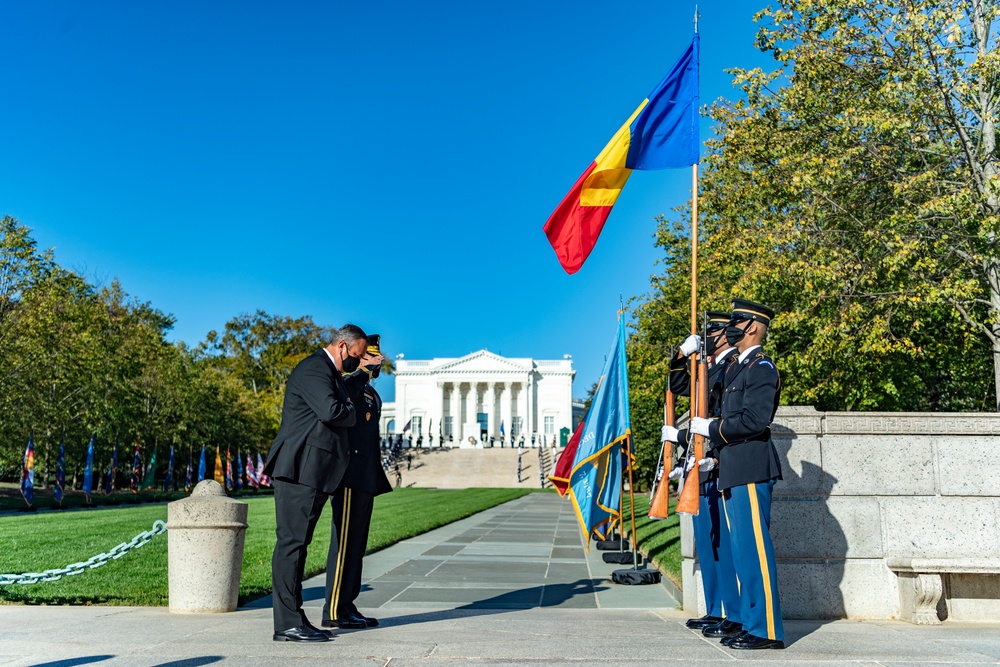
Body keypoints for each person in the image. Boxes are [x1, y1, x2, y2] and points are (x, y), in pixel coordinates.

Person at [687, 299, 785, 650]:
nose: (730, 327)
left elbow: (755, 421)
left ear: (754, 327)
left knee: (755, 552)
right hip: (733, 467)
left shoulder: (761, 367)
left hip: (751, 467)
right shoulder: (737, 369)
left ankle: (767, 630)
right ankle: (750, 621)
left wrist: (712, 429)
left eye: (737, 321)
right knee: (743, 552)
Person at [264, 324, 368, 643]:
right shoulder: (313, 368)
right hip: (299, 471)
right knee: (291, 546)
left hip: (313, 472)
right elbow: (332, 410)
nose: (358, 361)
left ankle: (293, 619)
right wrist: (350, 410)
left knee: (297, 545)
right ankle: (287, 623)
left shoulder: (328, 372)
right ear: (341, 346)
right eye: (357, 355)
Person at [662, 312, 742, 638]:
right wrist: (683, 354)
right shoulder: (703, 370)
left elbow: (723, 414)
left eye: (711, 333)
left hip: (718, 461)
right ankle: (714, 608)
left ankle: (732, 612)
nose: (707, 338)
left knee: (722, 542)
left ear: (725, 334)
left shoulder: (731, 367)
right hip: (700, 465)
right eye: (704, 334)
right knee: (707, 544)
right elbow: (676, 383)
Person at [322, 334, 394, 631]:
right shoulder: (349, 384)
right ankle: (334, 610)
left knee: (357, 545)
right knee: (344, 544)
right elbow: (345, 389)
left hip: (365, 475)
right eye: (369, 358)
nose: (376, 365)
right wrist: (361, 370)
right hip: (349, 475)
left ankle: (347, 604)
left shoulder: (371, 394)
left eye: (376, 359)